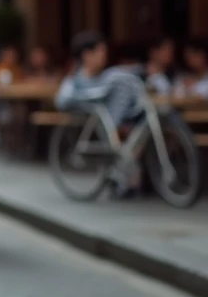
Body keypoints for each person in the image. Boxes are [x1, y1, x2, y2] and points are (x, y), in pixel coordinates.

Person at [56, 30, 149, 197]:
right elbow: (62, 100)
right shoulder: (75, 82)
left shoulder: (106, 76)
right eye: (100, 51)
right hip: (99, 125)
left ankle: (125, 177)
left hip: (118, 121)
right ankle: (124, 177)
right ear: (87, 55)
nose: (103, 56)